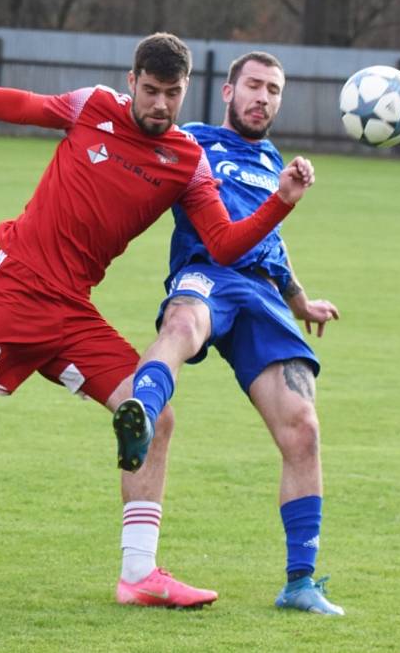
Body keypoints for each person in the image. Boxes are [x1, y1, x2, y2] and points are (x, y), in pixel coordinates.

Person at [0, 33, 314, 607]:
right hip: (13, 288)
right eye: (152, 91)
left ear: (187, 91)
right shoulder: (94, 108)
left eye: (173, 94)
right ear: (132, 82)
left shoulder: (187, 161)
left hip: (71, 311)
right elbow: (20, 104)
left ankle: (138, 574)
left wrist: (279, 201)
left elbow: (224, 244)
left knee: (153, 414)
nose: (161, 105)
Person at [113, 51, 344, 615]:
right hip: (207, 273)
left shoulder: (271, 162)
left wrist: (301, 300)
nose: (263, 98)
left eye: (273, 90)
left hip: (262, 294)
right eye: (254, 86)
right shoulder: (191, 141)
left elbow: (274, 246)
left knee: (303, 429)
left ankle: (300, 582)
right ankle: (139, 412)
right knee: (183, 320)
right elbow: (131, 143)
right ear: (227, 92)